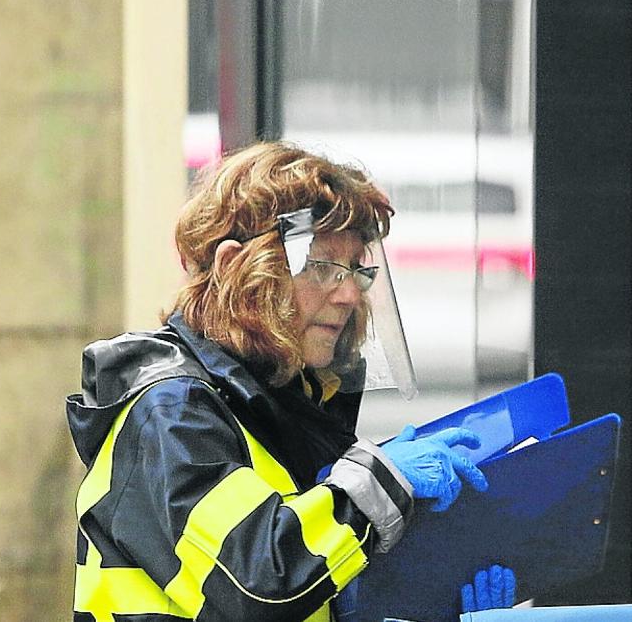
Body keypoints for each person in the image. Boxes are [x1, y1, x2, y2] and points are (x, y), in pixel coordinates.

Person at [66, 142, 510, 622]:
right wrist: (378, 481)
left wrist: (431, 601)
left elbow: (311, 592)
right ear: (234, 267)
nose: (347, 294)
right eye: (320, 266)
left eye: (357, 270)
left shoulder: (284, 410)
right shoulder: (170, 412)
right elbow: (258, 584)